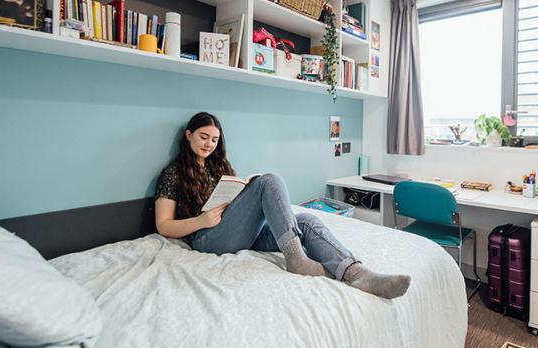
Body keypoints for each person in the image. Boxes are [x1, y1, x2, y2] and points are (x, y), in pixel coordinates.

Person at [154, 112, 411, 299]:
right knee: (269, 181)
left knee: (307, 221)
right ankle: (296, 259)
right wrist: (201, 221)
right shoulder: (173, 173)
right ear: (188, 135)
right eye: (203, 136)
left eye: (214, 139)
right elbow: (163, 225)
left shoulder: (217, 166)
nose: (208, 144)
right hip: (206, 237)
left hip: (235, 230)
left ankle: (359, 274)